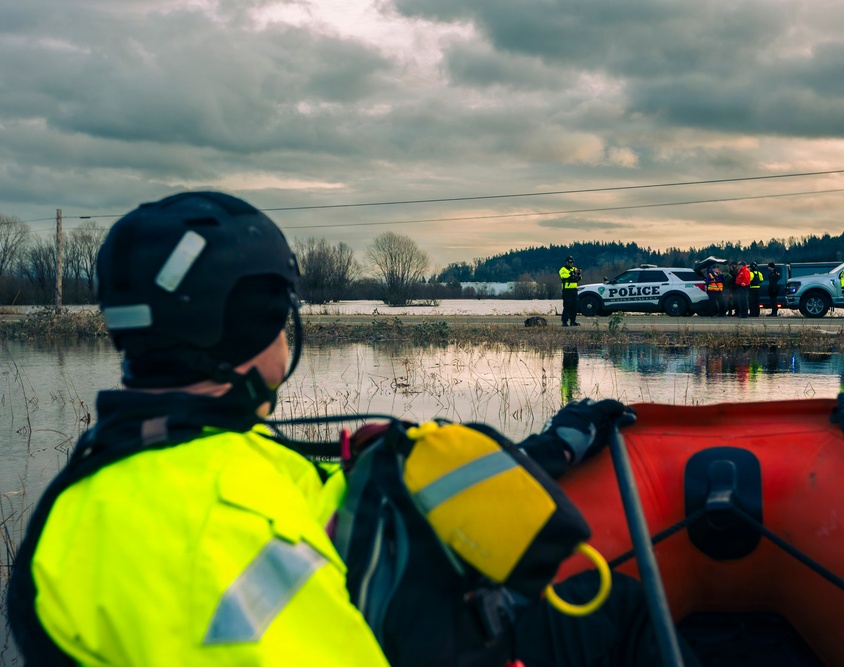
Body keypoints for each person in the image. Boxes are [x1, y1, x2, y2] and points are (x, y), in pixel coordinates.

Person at [9, 192, 685, 667]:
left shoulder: (129, 466)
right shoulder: (213, 532)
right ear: (257, 326)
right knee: (628, 616)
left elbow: (325, 499)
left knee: (619, 604)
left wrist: (552, 445)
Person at [8, 192, 391, 666]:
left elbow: (282, 498)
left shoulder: (110, 469)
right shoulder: (218, 531)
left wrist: (376, 470)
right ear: (254, 325)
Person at [560, 256, 582, 326]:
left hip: (574, 290)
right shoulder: (562, 269)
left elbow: (579, 277)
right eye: (570, 262)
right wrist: (572, 274)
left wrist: (578, 273)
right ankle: (564, 321)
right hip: (567, 290)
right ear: (566, 262)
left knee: (575, 306)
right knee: (567, 306)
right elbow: (564, 276)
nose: (571, 264)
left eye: (572, 262)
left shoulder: (574, 269)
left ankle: (573, 321)